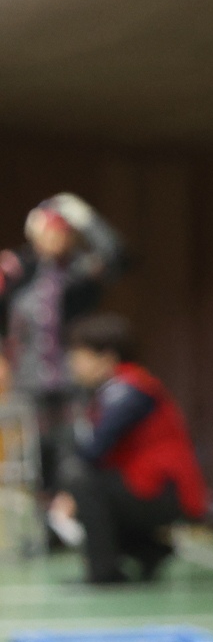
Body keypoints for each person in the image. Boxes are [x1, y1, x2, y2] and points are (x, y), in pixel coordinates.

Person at [51, 313, 207, 585]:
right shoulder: (111, 390)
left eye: (80, 355)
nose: (73, 363)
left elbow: (96, 449)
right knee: (86, 483)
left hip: (166, 492)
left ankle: (104, 572)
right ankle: (149, 551)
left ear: (106, 358)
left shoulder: (130, 389)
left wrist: (64, 495)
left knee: (79, 479)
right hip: (147, 488)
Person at [0, 193, 125, 502]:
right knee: (28, 460)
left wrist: (85, 218)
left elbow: (116, 256)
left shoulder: (78, 270)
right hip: (26, 384)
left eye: (64, 232)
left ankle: (70, 513)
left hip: (71, 382)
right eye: (51, 231)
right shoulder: (18, 269)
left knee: (73, 455)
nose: (57, 239)